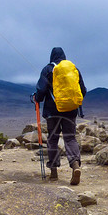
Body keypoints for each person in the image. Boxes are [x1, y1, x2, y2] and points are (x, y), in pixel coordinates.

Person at [33, 47, 86, 185]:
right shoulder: (73, 69)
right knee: (70, 138)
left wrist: (37, 98)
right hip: (70, 111)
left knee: (53, 139)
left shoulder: (47, 70)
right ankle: (75, 166)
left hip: (52, 111)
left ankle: (54, 172)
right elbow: (83, 90)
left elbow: (41, 89)